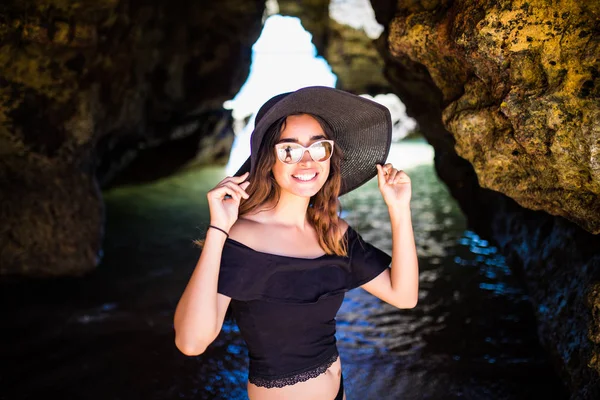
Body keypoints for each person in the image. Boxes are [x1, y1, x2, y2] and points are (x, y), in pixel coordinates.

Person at [174, 86, 419, 400]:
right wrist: (218, 231)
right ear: (268, 161)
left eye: (319, 148)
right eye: (289, 150)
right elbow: (191, 343)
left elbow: (404, 295)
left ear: (330, 157)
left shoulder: (332, 232)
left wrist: (399, 210)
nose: (307, 161)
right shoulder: (241, 238)